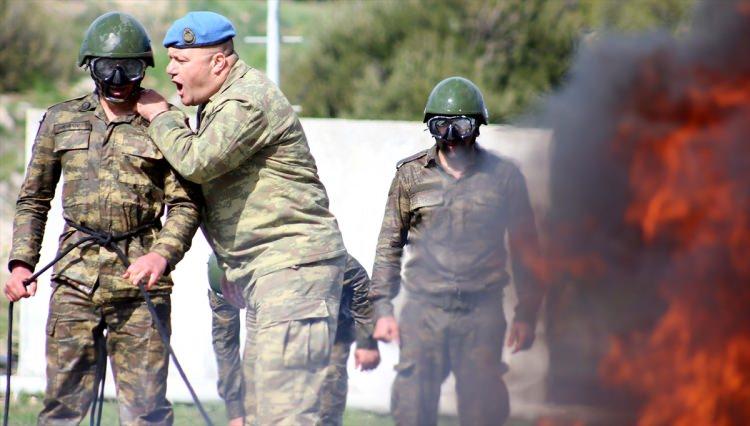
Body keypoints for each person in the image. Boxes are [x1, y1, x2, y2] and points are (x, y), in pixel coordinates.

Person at [135, 11, 347, 423]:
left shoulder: (246, 100)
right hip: (272, 275)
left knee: (283, 414)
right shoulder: (219, 103)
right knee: (263, 410)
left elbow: (197, 160)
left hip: (293, 271)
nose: (171, 71)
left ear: (218, 63)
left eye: (180, 60)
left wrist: (161, 116)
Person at [3, 12, 201, 425]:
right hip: (74, 278)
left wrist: (160, 257)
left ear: (143, 68)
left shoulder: (167, 125)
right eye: (105, 67)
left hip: (140, 286)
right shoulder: (61, 120)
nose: (116, 78)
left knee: (146, 411)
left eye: (127, 68)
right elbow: (34, 199)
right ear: (89, 66)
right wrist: (22, 263)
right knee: (62, 408)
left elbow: (185, 205)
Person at [369, 77, 545, 425]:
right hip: (423, 312)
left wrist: (527, 315)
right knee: (412, 409)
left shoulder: (504, 177)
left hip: (481, 313)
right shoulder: (410, 176)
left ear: (477, 127)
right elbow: (388, 247)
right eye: (441, 126)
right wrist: (383, 309)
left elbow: (527, 252)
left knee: (484, 412)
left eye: (460, 126)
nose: (451, 137)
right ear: (431, 128)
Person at [206, 253, 380, 426]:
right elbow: (225, 343)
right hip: (269, 319)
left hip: (329, 320)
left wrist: (367, 342)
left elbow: (360, 281)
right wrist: (235, 411)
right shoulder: (221, 280)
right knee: (259, 401)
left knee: (325, 398)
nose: (234, 299)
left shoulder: (306, 252)